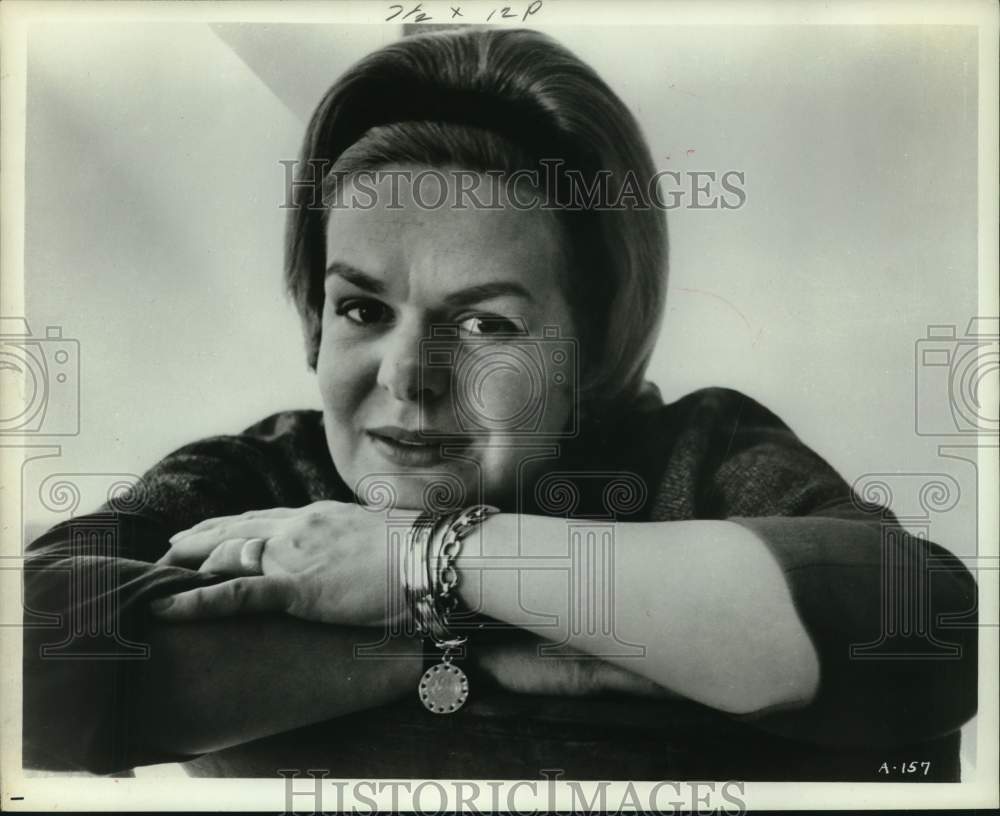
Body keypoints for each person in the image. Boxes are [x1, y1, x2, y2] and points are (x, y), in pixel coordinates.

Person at [23, 27, 977, 780]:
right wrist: (480, 632)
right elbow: (33, 658)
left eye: (484, 326)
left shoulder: (701, 453)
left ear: (593, 340)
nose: (408, 375)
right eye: (361, 307)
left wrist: (414, 559)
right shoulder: (268, 474)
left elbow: (916, 631)